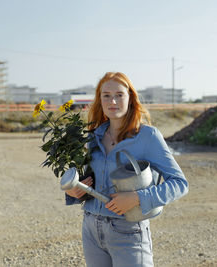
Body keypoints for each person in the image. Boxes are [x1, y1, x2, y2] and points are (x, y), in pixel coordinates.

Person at [64, 72, 188, 267]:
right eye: (106, 95)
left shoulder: (148, 136)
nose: (112, 100)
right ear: (100, 100)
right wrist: (74, 191)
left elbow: (180, 184)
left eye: (119, 94)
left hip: (128, 231)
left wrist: (138, 198)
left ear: (130, 98)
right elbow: (90, 182)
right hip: (91, 229)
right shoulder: (92, 137)